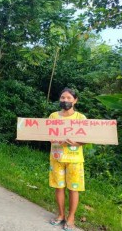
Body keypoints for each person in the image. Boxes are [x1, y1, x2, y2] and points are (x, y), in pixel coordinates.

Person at [48, 88, 86, 231]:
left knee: (73, 189)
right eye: (63, 97)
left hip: (74, 159)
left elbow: (88, 138)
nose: (65, 100)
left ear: (75, 100)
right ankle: (61, 215)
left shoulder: (80, 118)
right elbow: (48, 135)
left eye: (69, 98)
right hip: (57, 158)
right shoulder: (53, 116)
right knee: (59, 187)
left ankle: (71, 218)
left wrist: (77, 143)